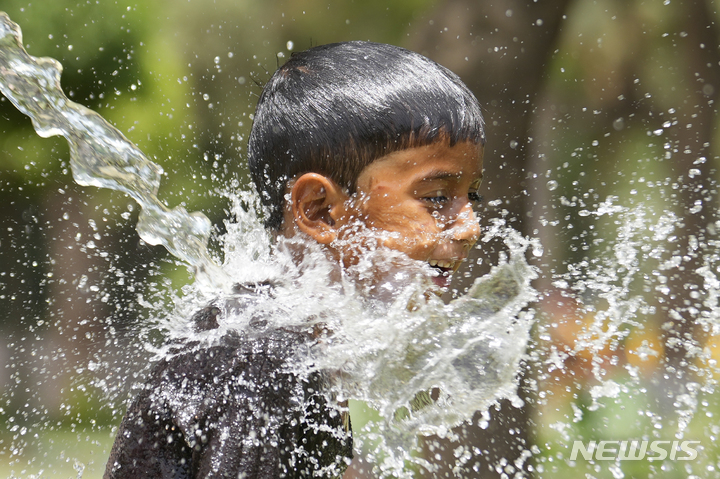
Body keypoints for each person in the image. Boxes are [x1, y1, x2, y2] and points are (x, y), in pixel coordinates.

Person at [104, 40, 484, 478]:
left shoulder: (298, 340)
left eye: (470, 195)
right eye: (437, 197)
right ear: (319, 210)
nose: (471, 227)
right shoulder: (259, 356)